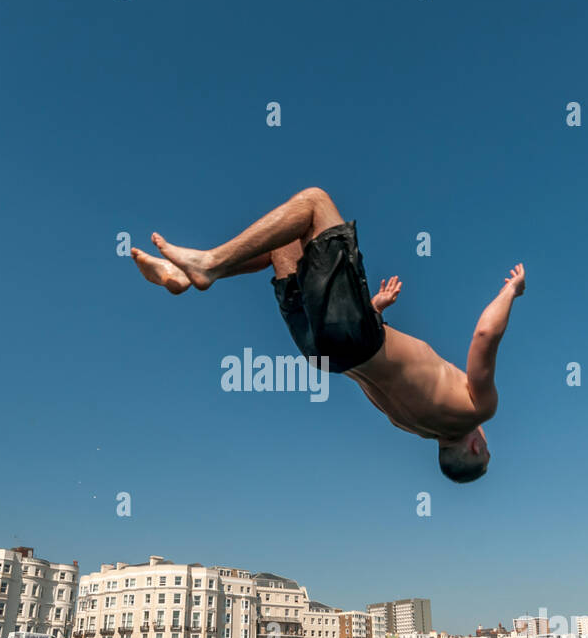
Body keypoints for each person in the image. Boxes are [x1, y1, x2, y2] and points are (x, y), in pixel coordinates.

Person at [131, 186, 526, 483]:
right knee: (283, 239)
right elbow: (372, 369)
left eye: (487, 450)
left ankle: (208, 264)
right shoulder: (409, 423)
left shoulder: (478, 409)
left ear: (475, 446)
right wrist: (372, 310)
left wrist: (511, 290)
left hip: (357, 338)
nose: (487, 440)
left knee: (314, 202)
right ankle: (184, 277)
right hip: (324, 353)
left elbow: (486, 334)